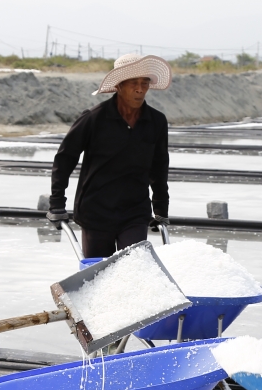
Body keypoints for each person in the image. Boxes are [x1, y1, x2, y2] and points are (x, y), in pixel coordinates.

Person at [47, 53, 171, 257]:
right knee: (99, 274)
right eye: (133, 83)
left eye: (144, 83)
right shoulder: (94, 119)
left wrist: (161, 209)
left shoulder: (156, 121)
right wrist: (57, 204)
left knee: (134, 267)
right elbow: (65, 159)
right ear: (119, 85)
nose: (140, 89)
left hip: (135, 212)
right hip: (96, 211)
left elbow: (159, 167)